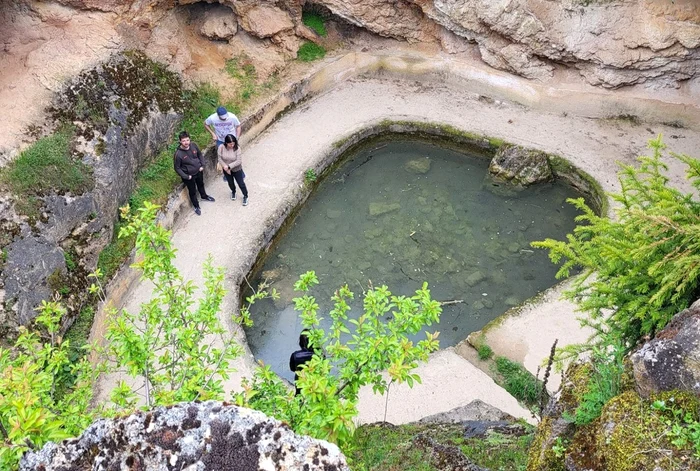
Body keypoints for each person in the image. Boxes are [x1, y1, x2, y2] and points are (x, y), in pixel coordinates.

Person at [173, 131, 215, 215]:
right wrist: (186, 176)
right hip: (189, 176)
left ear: (189, 139)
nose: (186, 142)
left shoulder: (193, 145)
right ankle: (196, 206)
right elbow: (177, 168)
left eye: (187, 140)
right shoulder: (178, 154)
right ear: (180, 141)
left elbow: (199, 155)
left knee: (201, 184)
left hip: (198, 171)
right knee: (192, 191)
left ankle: (204, 196)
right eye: (184, 141)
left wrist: (202, 165)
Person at [204, 106, 241, 182]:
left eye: (225, 117)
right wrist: (213, 134)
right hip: (220, 140)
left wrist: (237, 137)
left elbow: (238, 126)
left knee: (235, 155)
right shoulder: (212, 118)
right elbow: (205, 124)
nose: (224, 119)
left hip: (231, 140)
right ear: (218, 115)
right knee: (223, 157)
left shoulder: (232, 117)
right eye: (222, 118)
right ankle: (227, 173)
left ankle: (238, 171)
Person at [217, 134, 249, 206]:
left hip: (236, 169)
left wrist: (228, 167)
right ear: (226, 143)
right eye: (230, 144)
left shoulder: (237, 148)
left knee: (241, 183)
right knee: (230, 182)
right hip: (226, 169)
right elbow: (219, 158)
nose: (232, 145)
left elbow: (238, 161)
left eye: (233, 143)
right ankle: (233, 191)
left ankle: (245, 195)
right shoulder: (221, 147)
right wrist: (224, 166)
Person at [289, 330, 316, 396]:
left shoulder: (295, 355)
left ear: (301, 342)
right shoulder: (319, 355)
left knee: (299, 395)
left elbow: (292, 368)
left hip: (300, 379)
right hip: (314, 381)